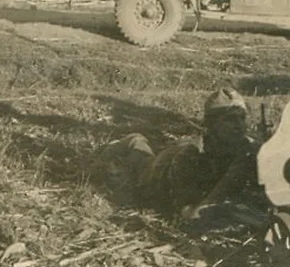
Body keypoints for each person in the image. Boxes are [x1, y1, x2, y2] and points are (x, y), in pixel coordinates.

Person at [101, 88, 259, 219]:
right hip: (158, 174)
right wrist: (234, 173)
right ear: (211, 124)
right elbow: (191, 215)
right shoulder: (189, 158)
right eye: (230, 119)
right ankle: (129, 141)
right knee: (142, 157)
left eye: (242, 118)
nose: (239, 125)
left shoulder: (246, 146)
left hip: (184, 151)